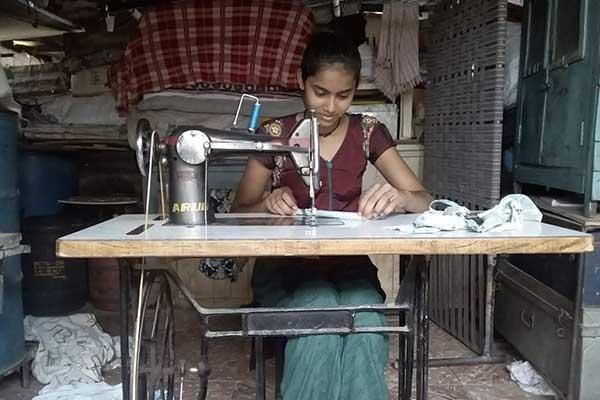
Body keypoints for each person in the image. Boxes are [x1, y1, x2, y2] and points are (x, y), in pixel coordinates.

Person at [232, 30, 430, 400]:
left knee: (367, 316)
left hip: (348, 264)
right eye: (319, 93)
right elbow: (238, 211)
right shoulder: (275, 134)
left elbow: (423, 199)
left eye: (344, 95)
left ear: (356, 90)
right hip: (284, 266)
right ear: (301, 82)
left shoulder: (368, 132)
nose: (330, 107)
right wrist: (268, 203)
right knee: (317, 309)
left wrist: (399, 196)